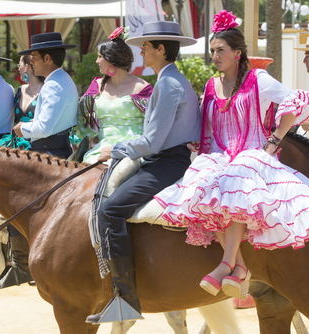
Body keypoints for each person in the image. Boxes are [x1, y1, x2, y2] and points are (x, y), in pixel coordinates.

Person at [153, 11, 309, 301]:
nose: (214, 55)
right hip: (219, 155)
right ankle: (238, 266)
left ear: (237, 53)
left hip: (252, 155)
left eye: (220, 50)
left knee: (237, 177)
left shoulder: (258, 79)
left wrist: (276, 137)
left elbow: (296, 100)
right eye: (212, 50)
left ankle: (226, 265)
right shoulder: (210, 86)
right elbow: (207, 125)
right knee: (201, 188)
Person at [85, 21, 201, 324]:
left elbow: (152, 141)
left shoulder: (167, 84)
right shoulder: (170, 79)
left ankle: (125, 298)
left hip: (168, 162)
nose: (141, 51)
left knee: (109, 210)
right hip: (167, 159)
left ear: (160, 50)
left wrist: (117, 150)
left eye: (146, 47)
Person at [0, 54, 45, 289]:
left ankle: (29, 260)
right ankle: (13, 260)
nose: (19, 67)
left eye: (21, 63)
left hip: (37, 148)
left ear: (30, 65)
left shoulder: (46, 89)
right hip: (15, 146)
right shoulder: (18, 91)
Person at [76, 27, 152, 164]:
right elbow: (80, 116)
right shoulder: (97, 86)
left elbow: (154, 125)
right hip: (100, 150)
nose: (96, 61)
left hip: (131, 152)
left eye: (99, 57)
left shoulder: (141, 88)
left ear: (112, 59)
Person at [13, 32, 78, 158]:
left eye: (34, 57)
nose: (31, 62)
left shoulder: (53, 85)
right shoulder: (62, 79)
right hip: (55, 150)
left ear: (47, 58)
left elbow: (44, 129)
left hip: (49, 153)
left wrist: (22, 128)